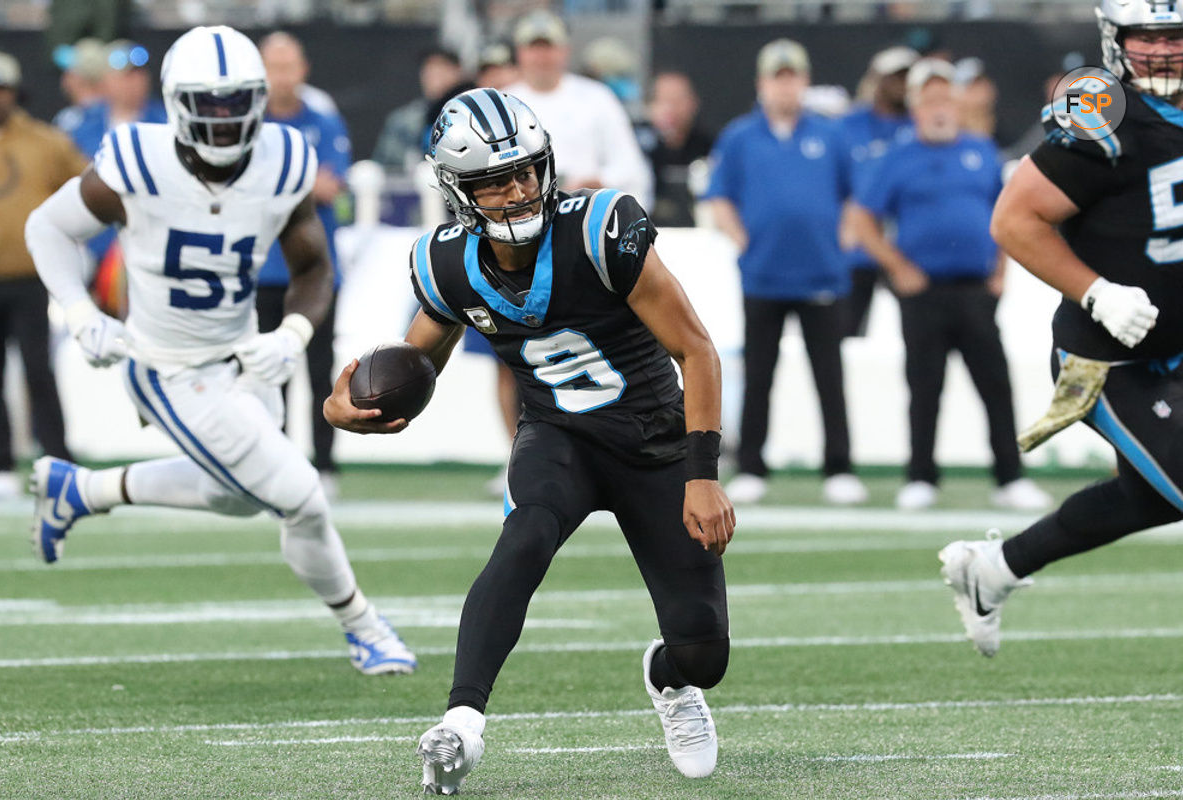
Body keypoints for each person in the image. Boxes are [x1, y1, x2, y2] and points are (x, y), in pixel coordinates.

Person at [324, 88, 734, 794]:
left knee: (704, 654)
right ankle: (461, 723)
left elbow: (697, 350)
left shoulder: (602, 227)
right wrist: (344, 406)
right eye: (492, 181)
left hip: (654, 443)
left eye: (522, 173)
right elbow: (412, 365)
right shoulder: (446, 263)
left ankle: (668, 680)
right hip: (558, 439)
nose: (514, 193)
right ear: (460, 191)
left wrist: (702, 473)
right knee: (524, 538)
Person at [23, 25, 416, 676]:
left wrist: (290, 336)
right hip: (166, 365)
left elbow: (314, 268)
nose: (227, 119)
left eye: (238, 102)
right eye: (212, 103)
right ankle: (365, 627)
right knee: (300, 495)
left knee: (236, 495)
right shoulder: (136, 159)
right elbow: (48, 227)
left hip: (238, 352)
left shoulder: (284, 159)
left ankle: (82, 490)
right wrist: (77, 308)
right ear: (179, 103)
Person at [940, 0, 1183, 657]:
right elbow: (1014, 221)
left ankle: (994, 568)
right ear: (1116, 39)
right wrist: (1096, 291)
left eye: (1175, 35)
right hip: (1107, 357)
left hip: (1176, 345)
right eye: (1147, 36)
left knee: (1150, 497)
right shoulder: (1105, 116)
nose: (1161, 51)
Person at [847, 59, 1050, 511]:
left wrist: (1002, 271)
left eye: (945, 98)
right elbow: (862, 219)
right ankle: (921, 475)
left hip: (976, 289)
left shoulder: (980, 152)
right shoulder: (897, 157)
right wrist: (897, 267)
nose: (939, 107)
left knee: (995, 383)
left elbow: (1007, 214)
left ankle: (1010, 476)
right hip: (923, 291)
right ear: (916, 105)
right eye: (930, 98)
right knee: (924, 385)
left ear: (956, 104)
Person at [705, 39, 868, 506]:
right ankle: (752, 465)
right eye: (777, 77)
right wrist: (742, 239)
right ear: (762, 83)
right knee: (759, 374)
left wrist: (845, 239)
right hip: (764, 275)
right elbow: (719, 195)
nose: (785, 85)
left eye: (792, 76)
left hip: (822, 276)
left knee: (829, 375)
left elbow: (856, 195)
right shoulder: (740, 136)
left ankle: (839, 466)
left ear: (804, 81)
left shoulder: (830, 135)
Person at [0, 51, 86, 501]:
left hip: (30, 275)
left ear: (14, 93)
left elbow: (89, 186)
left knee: (38, 371)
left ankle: (57, 456)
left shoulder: (46, 141)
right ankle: (0, 463)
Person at [257, 31, 351, 497]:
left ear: (303, 68)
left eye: (288, 65)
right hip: (262, 269)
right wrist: (303, 180)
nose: (281, 76)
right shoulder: (246, 122)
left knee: (320, 371)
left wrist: (276, 181)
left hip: (315, 270)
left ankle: (325, 465)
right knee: (263, 374)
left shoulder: (323, 118)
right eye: (272, 66)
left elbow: (332, 185)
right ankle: (272, 467)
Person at [505, 10, 653, 205]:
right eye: (533, 48)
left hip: (585, 209)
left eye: (548, 47)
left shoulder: (597, 97)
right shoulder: (505, 102)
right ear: (520, 53)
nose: (541, 57)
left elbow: (631, 166)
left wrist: (598, 181)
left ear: (565, 50)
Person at [839, 45, 917, 337]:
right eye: (895, 77)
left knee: (922, 331)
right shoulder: (849, 125)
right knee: (846, 335)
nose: (902, 85)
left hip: (907, 248)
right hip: (857, 248)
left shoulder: (921, 125)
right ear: (876, 79)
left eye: (908, 78)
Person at [636, 71, 713, 228]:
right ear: (650, 105)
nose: (671, 108)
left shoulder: (709, 145)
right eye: (664, 100)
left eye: (678, 100)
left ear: (693, 103)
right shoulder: (635, 145)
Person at [371, 48, 464, 171]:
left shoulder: (470, 114)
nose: (433, 75)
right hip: (412, 185)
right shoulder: (403, 119)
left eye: (441, 68)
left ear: (457, 72)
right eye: (428, 69)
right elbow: (384, 167)